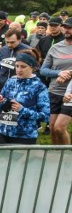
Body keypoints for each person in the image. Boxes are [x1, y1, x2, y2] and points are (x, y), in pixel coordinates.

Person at [0, 50, 50, 144]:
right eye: (17, 66)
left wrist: (22, 110)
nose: (19, 70)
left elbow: (45, 116)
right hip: (2, 132)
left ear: (32, 67)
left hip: (24, 135)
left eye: (23, 67)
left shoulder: (39, 86)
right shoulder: (10, 81)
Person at [39, 17, 72, 145]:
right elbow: (43, 70)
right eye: (65, 27)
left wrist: (69, 73)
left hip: (69, 94)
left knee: (60, 127)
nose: (66, 30)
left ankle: (67, 155)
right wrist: (58, 72)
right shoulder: (55, 48)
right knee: (52, 127)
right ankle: (56, 154)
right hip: (54, 91)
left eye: (69, 28)